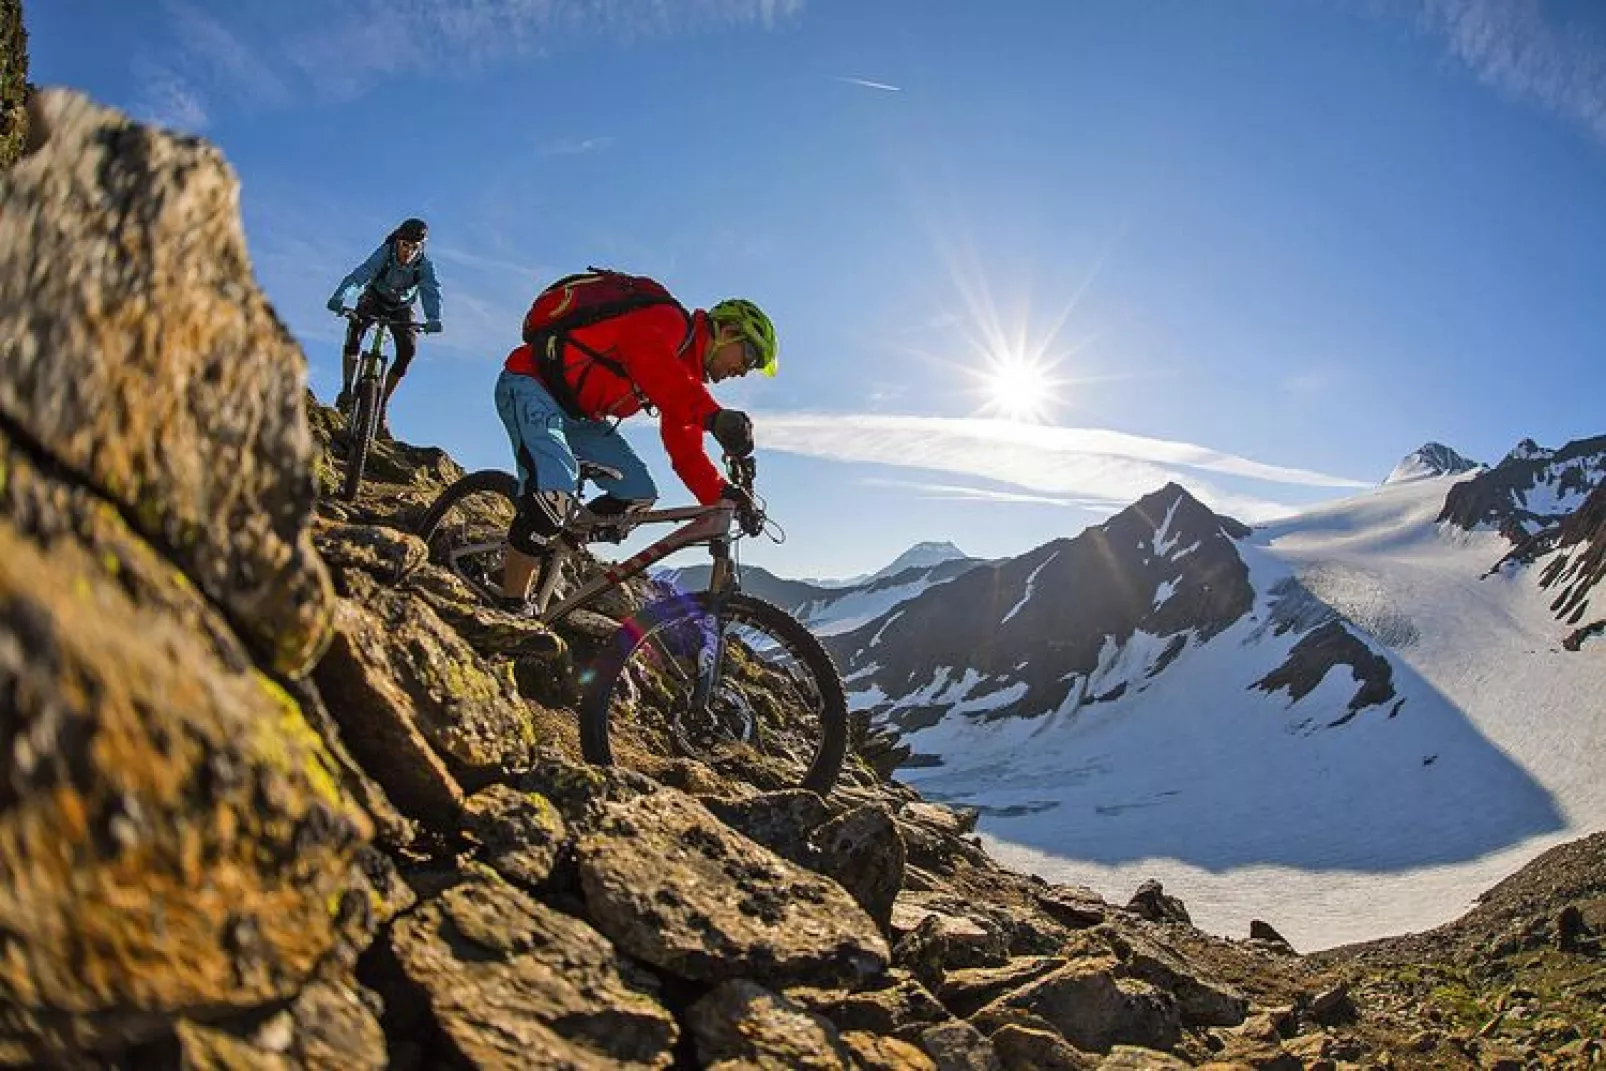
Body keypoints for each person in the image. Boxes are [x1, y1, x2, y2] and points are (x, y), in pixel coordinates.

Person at [494, 271, 777, 607]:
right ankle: (510, 611)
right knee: (554, 492)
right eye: (748, 357)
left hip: (581, 418)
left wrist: (723, 495)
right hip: (531, 384)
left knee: (637, 496)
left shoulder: (681, 378)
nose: (744, 371)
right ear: (727, 332)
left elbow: (685, 450)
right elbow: (648, 360)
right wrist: (713, 416)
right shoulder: (669, 321)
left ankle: (550, 540)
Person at [326, 217, 443, 438]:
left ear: (422, 247)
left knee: (408, 350)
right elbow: (361, 275)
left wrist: (434, 318)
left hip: (402, 307)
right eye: (404, 245)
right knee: (355, 330)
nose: (408, 251)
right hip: (375, 298)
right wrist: (340, 297)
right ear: (397, 241)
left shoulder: (424, 266)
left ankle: (380, 405)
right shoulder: (385, 254)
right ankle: (347, 388)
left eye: (414, 247)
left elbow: (430, 291)